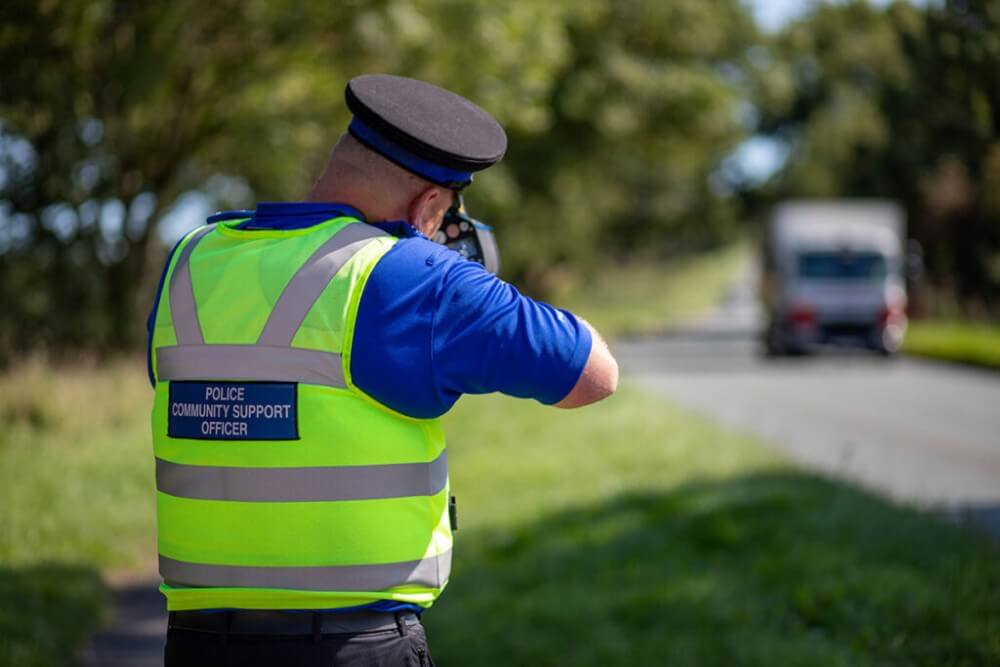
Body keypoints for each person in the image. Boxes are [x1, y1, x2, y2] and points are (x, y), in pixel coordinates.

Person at [147, 74, 618, 666]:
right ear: (428, 205)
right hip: (354, 647)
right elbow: (594, 375)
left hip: (195, 646)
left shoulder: (193, 259)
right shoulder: (409, 276)